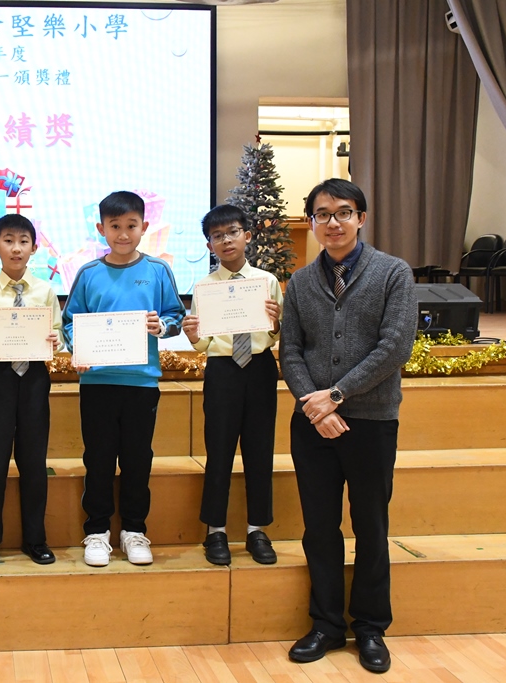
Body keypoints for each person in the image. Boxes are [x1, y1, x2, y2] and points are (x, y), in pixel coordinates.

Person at [280, 179, 417, 674]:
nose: (333, 222)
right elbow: (290, 351)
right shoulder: (300, 282)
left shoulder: (393, 273)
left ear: (361, 218)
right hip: (312, 425)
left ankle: (371, 627)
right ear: (312, 222)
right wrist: (316, 408)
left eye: (343, 212)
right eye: (322, 214)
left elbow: (395, 346)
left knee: (371, 526)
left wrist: (336, 395)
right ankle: (326, 625)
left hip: (371, 421)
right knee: (319, 528)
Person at [61, 190, 185, 567]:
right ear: (101, 229)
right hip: (97, 384)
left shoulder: (158, 270)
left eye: (131, 225)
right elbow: (69, 322)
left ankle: (134, 530)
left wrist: (162, 326)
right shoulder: (88, 273)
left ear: (144, 227)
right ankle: (97, 532)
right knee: (98, 459)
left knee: (137, 460)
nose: (123, 233)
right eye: (115, 226)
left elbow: (175, 316)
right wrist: (79, 350)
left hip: (141, 384)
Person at [182, 205, 282, 566]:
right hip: (223, 371)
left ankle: (257, 529)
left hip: (260, 368)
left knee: (260, 450)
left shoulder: (266, 281)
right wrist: (193, 335)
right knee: (219, 451)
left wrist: (275, 324)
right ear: (209, 244)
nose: (226, 240)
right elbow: (204, 344)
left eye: (233, 232)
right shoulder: (204, 287)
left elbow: (275, 334)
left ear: (247, 235)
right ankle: (216, 531)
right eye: (217, 235)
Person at [0, 213, 62, 568]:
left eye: (23, 241)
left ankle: (36, 539)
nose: (16, 248)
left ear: (34, 248)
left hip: (34, 379)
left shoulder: (45, 291)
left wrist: (55, 340)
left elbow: (57, 336)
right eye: (8, 241)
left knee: (34, 463)